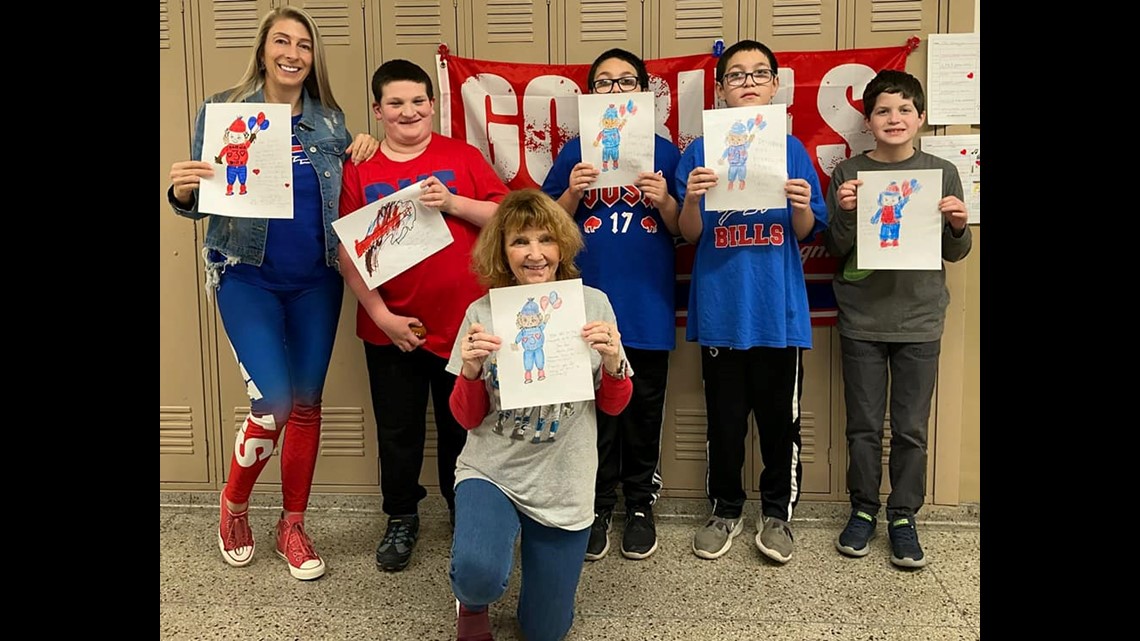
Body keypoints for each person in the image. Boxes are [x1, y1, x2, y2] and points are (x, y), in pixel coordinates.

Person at [166, 6, 379, 581]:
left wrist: (364, 148)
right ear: (263, 49)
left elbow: (354, 193)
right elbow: (201, 201)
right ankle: (234, 505)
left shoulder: (331, 123)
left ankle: (292, 524)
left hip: (317, 280)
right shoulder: (223, 111)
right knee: (276, 403)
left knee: (308, 405)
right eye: (281, 41)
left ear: (313, 58)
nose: (292, 53)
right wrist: (182, 193)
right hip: (247, 276)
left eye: (304, 45)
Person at [337, 59, 509, 573]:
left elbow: (505, 214)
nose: (408, 111)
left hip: (465, 328)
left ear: (433, 104)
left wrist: (454, 202)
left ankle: (466, 513)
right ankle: (402, 516)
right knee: (398, 430)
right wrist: (381, 315)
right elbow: (347, 251)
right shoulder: (360, 168)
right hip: (391, 328)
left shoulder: (462, 155)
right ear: (378, 110)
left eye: (417, 101)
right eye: (396, 103)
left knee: (463, 426)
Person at [446, 188, 633, 641]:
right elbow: (467, 419)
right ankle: (470, 605)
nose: (534, 254)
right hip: (493, 470)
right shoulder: (483, 312)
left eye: (545, 240)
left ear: (561, 247)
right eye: (519, 242)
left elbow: (613, 405)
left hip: (564, 479)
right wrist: (470, 371)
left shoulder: (593, 305)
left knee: (545, 630)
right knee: (477, 573)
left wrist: (612, 363)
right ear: (502, 252)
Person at [676, 39, 828, 564]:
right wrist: (693, 198)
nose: (747, 82)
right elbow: (690, 234)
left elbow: (806, 231)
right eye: (736, 75)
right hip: (721, 311)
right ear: (719, 89)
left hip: (777, 313)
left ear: (775, 85)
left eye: (758, 74)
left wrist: (803, 206)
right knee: (724, 421)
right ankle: (724, 509)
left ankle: (778, 515)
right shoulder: (698, 151)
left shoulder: (792, 150)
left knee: (778, 424)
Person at [823, 69, 971, 569]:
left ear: (921, 118)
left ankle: (903, 516)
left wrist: (957, 224)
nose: (894, 118)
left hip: (920, 320)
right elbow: (835, 248)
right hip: (862, 318)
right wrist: (844, 213)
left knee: (910, 428)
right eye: (883, 110)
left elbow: (957, 252)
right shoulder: (849, 173)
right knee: (863, 427)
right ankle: (863, 509)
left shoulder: (942, 171)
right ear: (868, 120)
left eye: (905, 109)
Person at [540, 48, 681, 562]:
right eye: (605, 83)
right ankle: (596, 505)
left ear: (645, 92)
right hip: (583, 308)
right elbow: (544, 230)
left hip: (645, 307)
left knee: (642, 410)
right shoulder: (574, 152)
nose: (616, 91)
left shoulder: (665, 153)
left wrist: (665, 199)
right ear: (590, 95)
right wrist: (574, 193)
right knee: (592, 414)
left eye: (627, 82)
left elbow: (684, 230)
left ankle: (640, 506)